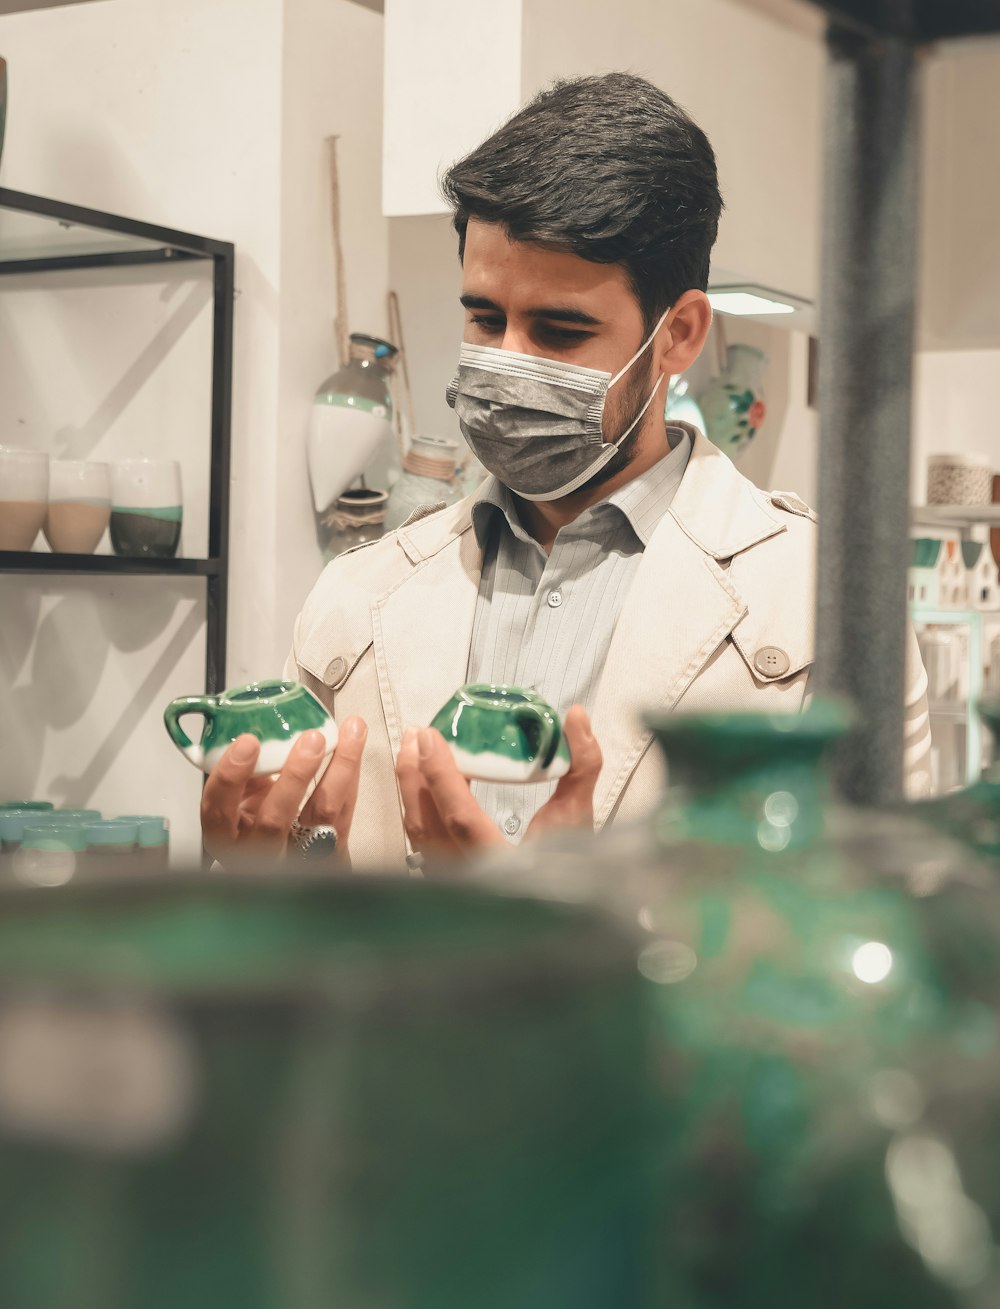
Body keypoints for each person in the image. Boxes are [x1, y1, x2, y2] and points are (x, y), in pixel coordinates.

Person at [201, 72, 931, 869]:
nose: (505, 363)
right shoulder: (357, 595)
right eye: (484, 317)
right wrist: (257, 880)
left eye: (559, 330)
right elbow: (297, 903)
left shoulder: (825, 606)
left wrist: (576, 917)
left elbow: (890, 935)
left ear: (679, 335)